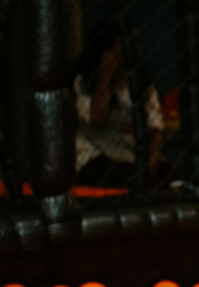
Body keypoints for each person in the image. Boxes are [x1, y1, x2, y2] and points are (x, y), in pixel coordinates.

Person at [70, 21, 164, 188]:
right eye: (127, 43)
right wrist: (105, 73)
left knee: (171, 179)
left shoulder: (143, 87)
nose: (135, 49)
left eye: (136, 43)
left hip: (131, 157)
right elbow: (98, 118)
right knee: (124, 179)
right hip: (95, 157)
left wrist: (153, 154)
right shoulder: (84, 82)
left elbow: (155, 127)